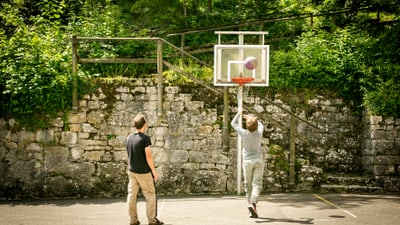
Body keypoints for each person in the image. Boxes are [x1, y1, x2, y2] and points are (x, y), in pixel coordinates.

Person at [126, 114, 164, 225]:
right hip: (144, 172)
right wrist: (154, 171)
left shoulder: (129, 138)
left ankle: (132, 220)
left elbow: (128, 155)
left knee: (132, 196)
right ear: (145, 125)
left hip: (132, 171)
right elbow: (148, 157)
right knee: (150, 195)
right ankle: (152, 220)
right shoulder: (145, 139)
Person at [231, 109, 264, 218]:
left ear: (247, 126)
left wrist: (239, 115)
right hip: (258, 161)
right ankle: (252, 203)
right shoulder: (259, 132)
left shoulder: (244, 133)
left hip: (247, 162)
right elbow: (260, 123)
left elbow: (233, 123)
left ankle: (250, 206)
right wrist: (249, 117)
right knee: (256, 184)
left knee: (248, 185)